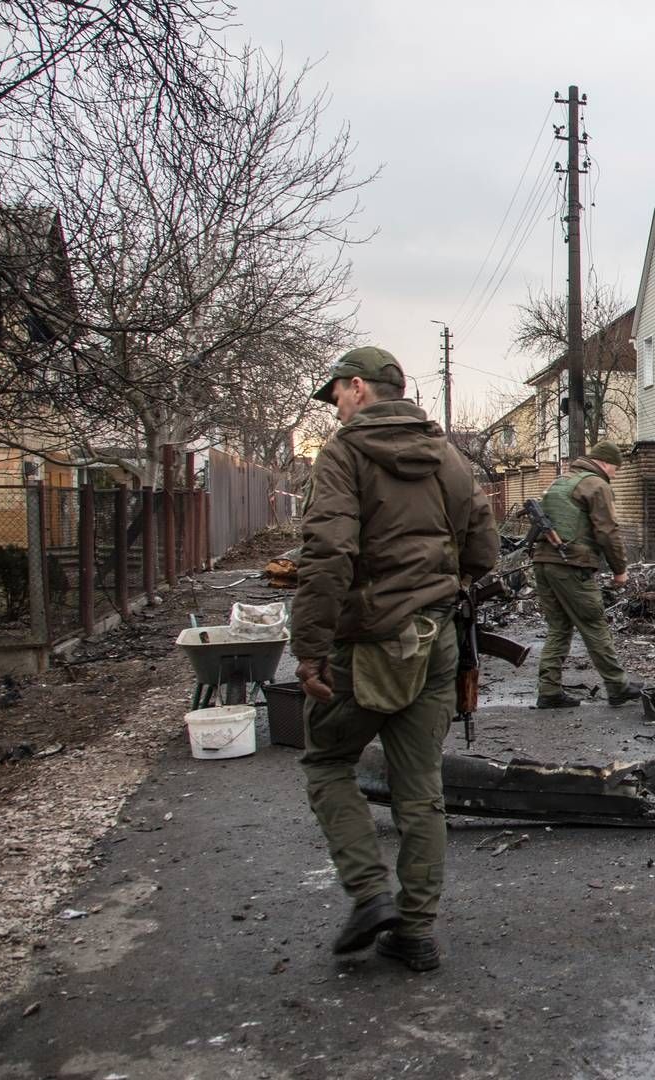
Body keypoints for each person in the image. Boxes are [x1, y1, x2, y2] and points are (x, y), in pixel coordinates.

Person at [289, 346, 498, 974]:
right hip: (435, 639)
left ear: (359, 388)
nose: (334, 409)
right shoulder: (448, 456)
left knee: (327, 763)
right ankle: (415, 931)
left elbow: (327, 553)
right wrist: (443, 583)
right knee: (421, 788)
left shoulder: (345, 453)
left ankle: (369, 895)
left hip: (366, 643)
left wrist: (308, 649)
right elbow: (483, 546)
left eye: (336, 396)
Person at [531, 443, 643, 709]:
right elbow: (607, 532)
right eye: (615, 468)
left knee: (558, 627)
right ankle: (617, 686)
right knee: (594, 624)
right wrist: (620, 570)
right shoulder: (596, 485)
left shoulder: (562, 481)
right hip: (572, 565)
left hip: (543, 562)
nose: (615, 474)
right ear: (605, 462)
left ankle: (549, 690)